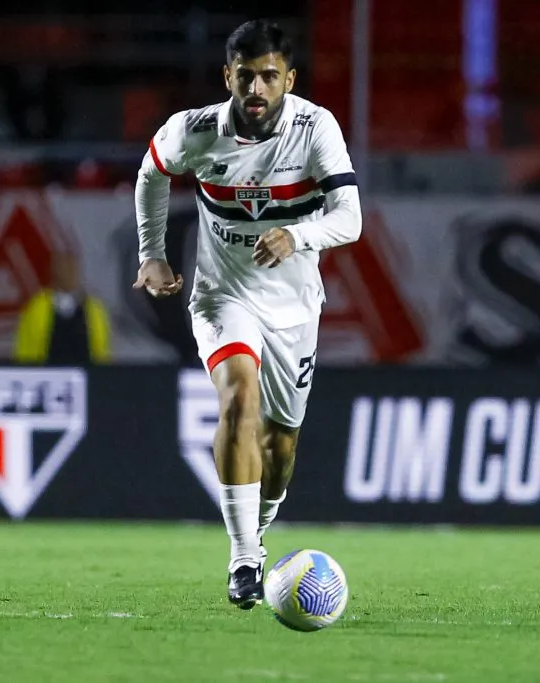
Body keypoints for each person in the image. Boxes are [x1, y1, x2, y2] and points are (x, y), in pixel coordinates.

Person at [131, 19, 362, 610]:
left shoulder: (316, 129)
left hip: (293, 308)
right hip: (222, 296)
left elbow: (350, 219)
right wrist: (152, 255)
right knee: (239, 396)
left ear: (288, 78)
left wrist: (296, 235)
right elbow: (151, 172)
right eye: (246, 77)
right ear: (226, 76)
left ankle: (255, 532)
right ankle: (242, 559)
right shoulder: (196, 130)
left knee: (281, 445)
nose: (256, 89)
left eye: (269, 76)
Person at [14, 251, 112, 365]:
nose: (69, 274)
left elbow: (102, 350)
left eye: (73, 269)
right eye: (63, 268)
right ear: (53, 272)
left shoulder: (94, 308)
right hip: (46, 377)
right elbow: (26, 346)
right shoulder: (37, 307)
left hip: (86, 375)